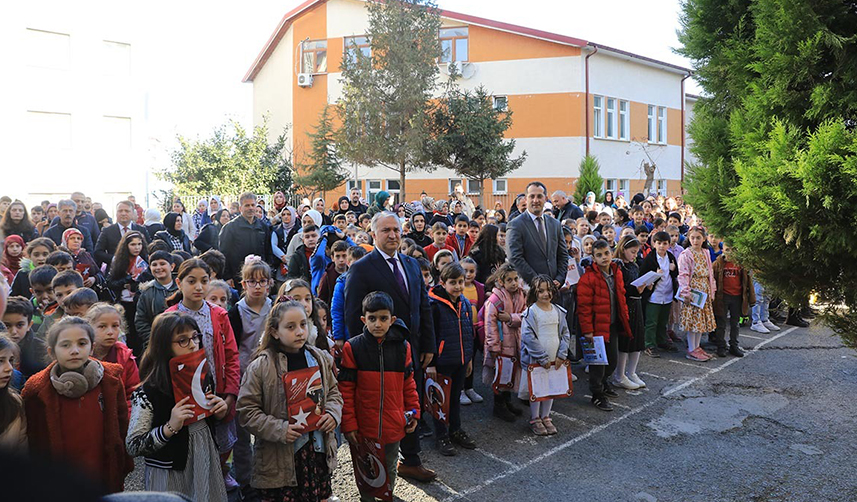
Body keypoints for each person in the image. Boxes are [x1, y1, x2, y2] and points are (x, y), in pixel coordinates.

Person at [344, 212, 436, 482]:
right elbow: (353, 315)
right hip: (378, 354)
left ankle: (412, 460)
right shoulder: (361, 268)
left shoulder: (411, 264)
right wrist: (363, 353)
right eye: (386, 230)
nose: (393, 235)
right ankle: (379, 471)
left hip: (411, 349)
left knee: (410, 402)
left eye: (396, 229)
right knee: (384, 408)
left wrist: (428, 344)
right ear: (374, 234)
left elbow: (423, 306)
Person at [237, 298, 342, 501]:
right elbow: (247, 411)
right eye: (290, 327)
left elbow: (334, 393)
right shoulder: (261, 366)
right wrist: (280, 429)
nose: (300, 332)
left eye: (303, 324)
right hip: (280, 458)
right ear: (275, 332)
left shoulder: (319, 358)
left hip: (316, 452)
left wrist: (332, 413)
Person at [22, 317, 133, 493]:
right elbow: (33, 440)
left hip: (102, 475)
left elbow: (121, 423)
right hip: (60, 481)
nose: (74, 351)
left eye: (82, 343)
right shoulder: (36, 389)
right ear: (52, 351)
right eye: (65, 345)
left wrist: (122, 463)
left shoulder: (110, 379)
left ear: (92, 347)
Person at [126, 312, 229, 501]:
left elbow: (208, 417)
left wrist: (219, 411)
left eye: (195, 337)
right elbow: (134, 445)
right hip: (170, 469)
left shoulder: (204, 376)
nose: (193, 344)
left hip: (205, 455)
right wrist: (169, 427)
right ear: (164, 346)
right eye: (182, 340)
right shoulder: (149, 391)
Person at [165, 259, 240, 492]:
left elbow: (232, 357)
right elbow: (162, 361)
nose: (199, 287)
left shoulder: (219, 314)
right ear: (179, 283)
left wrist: (229, 397)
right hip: (185, 395)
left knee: (222, 442)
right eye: (192, 281)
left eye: (204, 281)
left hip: (217, 392)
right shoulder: (169, 317)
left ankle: (221, 474)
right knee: (193, 447)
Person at [339, 292, 421, 501]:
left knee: (390, 466)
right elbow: (346, 390)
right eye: (372, 318)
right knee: (366, 469)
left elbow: (409, 384)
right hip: (364, 426)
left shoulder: (403, 347)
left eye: (383, 318)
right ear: (363, 319)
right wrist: (349, 424)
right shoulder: (353, 347)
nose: (377, 324)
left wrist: (414, 412)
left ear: (392, 320)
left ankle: (387, 496)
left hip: (393, 424)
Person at [227, 258, 273, 492]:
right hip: (243, 378)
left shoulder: (275, 308)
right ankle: (246, 481)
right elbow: (232, 348)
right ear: (243, 284)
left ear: (269, 284)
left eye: (262, 281)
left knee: (269, 429)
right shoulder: (236, 312)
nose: (257, 286)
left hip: (270, 377)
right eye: (252, 282)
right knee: (242, 434)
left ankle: (269, 478)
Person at [426, 262, 477, 455]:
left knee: (455, 398)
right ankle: (441, 435)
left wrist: (468, 359)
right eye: (453, 282)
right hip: (442, 362)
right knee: (440, 400)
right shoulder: (434, 305)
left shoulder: (464, 303)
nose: (457, 286)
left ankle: (455, 429)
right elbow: (430, 335)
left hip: (460, 360)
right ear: (443, 282)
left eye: (460, 282)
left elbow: (468, 332)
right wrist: (431, 364)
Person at [577, 239, 633, 412]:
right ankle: (597, 394)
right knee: (597, 364)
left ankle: (604, 382)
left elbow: (621, 297)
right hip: (596, 328)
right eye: (599, 255)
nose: (604, 257)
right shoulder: (588, 278)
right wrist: (588, 331)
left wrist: (624, 317)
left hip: (612, 324)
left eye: (607, 253)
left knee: (612, 361)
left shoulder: (616, 273)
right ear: (593, 258)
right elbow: (584, 308)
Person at [519, 275, 570, 436]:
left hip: (555, 358)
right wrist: (541, 357)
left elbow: (565, 333)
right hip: (537, 359)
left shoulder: (558, 311)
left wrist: (562, 354)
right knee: (537, 388)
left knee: (551, 387)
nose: (545, 294)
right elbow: (528, 337)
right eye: (541, 291)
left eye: (548, 290)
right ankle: (535, 418)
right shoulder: (531, 312)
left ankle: (546, 416)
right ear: (534, 292)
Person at [482, 262, 526, 422]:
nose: (514, 283)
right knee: (500, 374)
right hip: (501, 345)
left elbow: (526, 315)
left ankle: (507, 402)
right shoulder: (495, 300)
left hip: (515, 342)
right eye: (510, 280)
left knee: (510, 373)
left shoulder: (521, 294)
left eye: (516, 278)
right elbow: (490, 325)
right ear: (501, 281)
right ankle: (499, 406)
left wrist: (511, 318)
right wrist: (493, 347)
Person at [507, 182, 569, 286]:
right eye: (532, 196)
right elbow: (515, 258)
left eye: (539, 196)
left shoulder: (555, 224)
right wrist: (537, 281)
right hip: (530, 288)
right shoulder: (516, 225)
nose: (535, 200)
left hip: (554, 287)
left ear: (546, 198)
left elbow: (562, 254)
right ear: (526, 199)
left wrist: (560, 278)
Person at [85, 303, 140, 407]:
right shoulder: (81, 355)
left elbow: (133, 394)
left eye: (115, 326)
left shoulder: (125, 356)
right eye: (102, 326)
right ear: (89, 328)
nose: (110, 332)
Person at [612, 236, 649, 390]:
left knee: (637, 340)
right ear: (623, 249)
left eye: (636, 252)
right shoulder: (618, 266)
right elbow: (620, 290)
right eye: (632, 252)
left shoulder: (633, 265)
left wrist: (645, 285)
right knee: (625, 342)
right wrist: (636, 289)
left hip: (636, 304)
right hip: (625, 307)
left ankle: (631, 372)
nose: (635, 255)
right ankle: (619, 375)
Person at [108, 231, 152, 357]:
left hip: (140, 302)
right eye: (133, 244)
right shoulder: (118, 261)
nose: (137, 247)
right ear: (126, 246)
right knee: (128, 334)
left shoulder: (145, 260)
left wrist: (134, 285)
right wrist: (126, 281)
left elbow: (148, 281)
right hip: (123, 303)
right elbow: (110, 282)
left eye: (139, 244)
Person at [678, 226, 718, 362]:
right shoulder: (686, 254)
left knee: (700, 321)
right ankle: (691, 348)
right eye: (692, 238)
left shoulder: (705, 252)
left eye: (698, 238)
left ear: (704, 239)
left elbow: (710, 272)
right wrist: (686, 292)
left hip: (704, 289)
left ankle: (697, 346)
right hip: (693, 290)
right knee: (693, 321)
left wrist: (712, 289)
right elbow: (683, 274)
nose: (695, 241)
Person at [712, 244, 756, 358]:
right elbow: (713, 279)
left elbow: (748, 282)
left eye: (733, 250)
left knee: (735, 323)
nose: (730, 253)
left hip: (737, 296)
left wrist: (751, 298)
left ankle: (734, 345)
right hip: (723, 297)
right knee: (721, 323)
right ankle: (721, 346)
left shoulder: (741, 265)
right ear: (722, 250)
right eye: (727, 250)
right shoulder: (718, 264)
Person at [640, 231, 680, 358]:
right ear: (654, 244)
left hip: (667, 293)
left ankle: (661, 340)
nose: (662, 246)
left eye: (665, 243)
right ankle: (649, 344)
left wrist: (674, 269)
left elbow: (675, 274)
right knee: (652, 321)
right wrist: (654, 275)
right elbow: (643, 275)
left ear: (668, 244)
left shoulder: (670, 257)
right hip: (654, 294)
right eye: (659, 243)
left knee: (663, 320)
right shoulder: (650, 258)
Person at [219, 193, 271, 287]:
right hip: (238, 278)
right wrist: (227, 276)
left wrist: (269, 274)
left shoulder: (263, 227)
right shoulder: (230, 228)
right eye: (247, 205)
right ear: (240, 208)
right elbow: (224, 253)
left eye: (253, 205)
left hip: (259, 277)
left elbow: (268, 252)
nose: (250, 208)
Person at [134, 250, 177, 351]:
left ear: (172, 266)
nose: (158, 268)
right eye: (154, 265)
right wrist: (153, 339)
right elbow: (141, 320)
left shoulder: (183, 287)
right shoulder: (146, 291)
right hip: (156, 345)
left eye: (162, 264)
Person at [2, 296, 48, 380]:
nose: (13, 331)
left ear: (29, 325)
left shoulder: (42, 351)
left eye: (19, 325)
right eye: (7, 326)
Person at [94, 201, 151, 268]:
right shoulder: (107, 231)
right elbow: (98, 252)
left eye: (127, 211)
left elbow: (149, 249)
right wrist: (115, 259)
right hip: (115, 270)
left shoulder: (141, 230)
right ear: (116, 213)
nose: (123, 214)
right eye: (120, 211)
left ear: (133, 213)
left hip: (138, 270)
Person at [458, 258, 484, 405]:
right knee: (462, 361)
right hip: (461, 331)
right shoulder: (458, 288)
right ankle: (460, 389)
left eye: (471, 271)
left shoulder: (479, 287)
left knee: (472, 360)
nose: (468, 274)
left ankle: (469, 387)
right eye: (465, 270)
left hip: (475, 330)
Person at [331, 245, 367, 348]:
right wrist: (338, 336)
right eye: (355, 264)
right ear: (348, 263)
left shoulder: (371, 279)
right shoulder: (342, 283)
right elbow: (337, 311)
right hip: (350, 333)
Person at [0, 333, 27, 451]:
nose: (9, 368)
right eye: (0, 361)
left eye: (11, 360)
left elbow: (22, 452)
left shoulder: (15, 404)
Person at [316, 240, 350, 306]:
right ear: (332, 258)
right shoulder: (327, 276)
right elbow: (322, 300)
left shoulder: (353, 272)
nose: (341, 260)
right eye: (337, 256)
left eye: (344, 256)